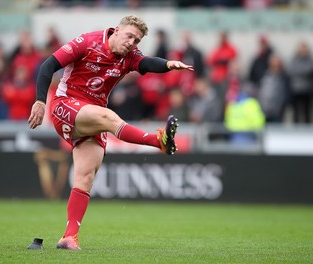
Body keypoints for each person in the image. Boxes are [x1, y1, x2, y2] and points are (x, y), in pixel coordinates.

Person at [28, 15, 194, 250]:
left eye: (136, 40)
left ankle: (68, 237)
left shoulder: (129, 57)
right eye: (129, 36)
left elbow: (147, 63)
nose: (131, 43)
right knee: (109, 118)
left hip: (91, 115)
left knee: (85, 177)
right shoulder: (87, 42)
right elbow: (48, 65)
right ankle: (158, 141)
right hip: (66, 105)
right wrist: (40, 101)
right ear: (116, 31)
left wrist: (168, 64)